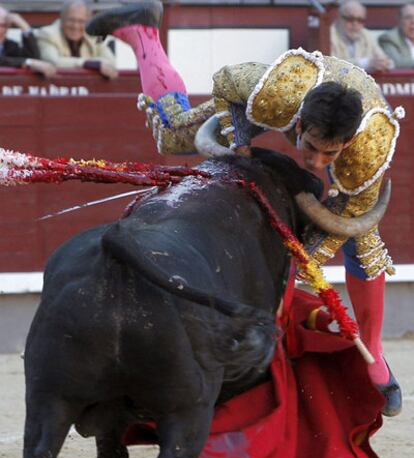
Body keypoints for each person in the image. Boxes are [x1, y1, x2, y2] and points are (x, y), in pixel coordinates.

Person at [86, 1, 403, 417]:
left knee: (362, 238)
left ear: (345, 145)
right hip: (280, 99)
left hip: (354, 132)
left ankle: (373, 352)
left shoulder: (368, 150)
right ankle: (142, 32)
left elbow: (342, 223)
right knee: (171, 134)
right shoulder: (280, 92)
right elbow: (227, 82)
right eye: (310, 148)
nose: (316, 163)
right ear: (299, 126)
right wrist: (240, 148)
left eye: (330, 155)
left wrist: (299, 259)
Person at [35, 0, 118, 79]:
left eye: (81, 21)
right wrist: (89, 64)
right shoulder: (46, 34)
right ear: (62, 19)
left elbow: (111, 62)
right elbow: (54, 62)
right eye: (71, 20)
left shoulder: (95, 36)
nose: (76, 26)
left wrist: (97, 64)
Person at [330, 0, 393, 73]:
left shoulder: (366, 35)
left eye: (360, 20)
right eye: (350, 19)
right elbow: (331, 65)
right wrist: (365, 63)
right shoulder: (328, 35)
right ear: (339, 18)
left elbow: (387, 61)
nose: (355, 24)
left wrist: (385, 63)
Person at [0, 6, 56, 77]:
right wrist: (28, 62)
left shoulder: (10, 46)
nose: (2, 30)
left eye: (5, 25)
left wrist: (24, 27)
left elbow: (34, 58)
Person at [379, 3, 414, 69]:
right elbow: (397, 63)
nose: (413, 21)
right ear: (399, 20)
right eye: (408, 17)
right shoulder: (389, 38)